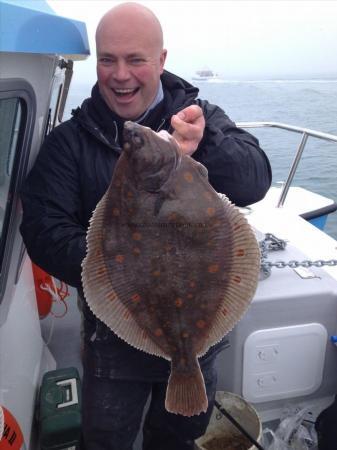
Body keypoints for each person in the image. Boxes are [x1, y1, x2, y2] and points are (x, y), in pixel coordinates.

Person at [20, 3, 272, 450]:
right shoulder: (69, 144)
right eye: (107, 59)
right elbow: (42, 229)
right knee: (106, 437)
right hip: (115, 344)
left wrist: (203, 148)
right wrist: (118, 265)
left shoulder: (200, 120)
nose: (120, 74)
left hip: (198, 341)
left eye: (135, 59)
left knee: (181, 435)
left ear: (161, 60)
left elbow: (254, 179)